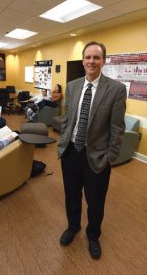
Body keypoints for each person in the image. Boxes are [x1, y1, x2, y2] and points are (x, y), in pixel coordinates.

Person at [57, 41, 127, 260]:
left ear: (103, 61)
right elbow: (68, 119)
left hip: (97, 157)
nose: (91, 61)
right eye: (88, 57)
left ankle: (93, 235)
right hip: (71, 152)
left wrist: (110, 157)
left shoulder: (116, 89)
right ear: (83, 59)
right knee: (71, 195)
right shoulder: (73, 85)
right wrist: (63, 142)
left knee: (96, 201)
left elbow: (117, 128)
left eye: (96, 58)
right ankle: (73, 226)